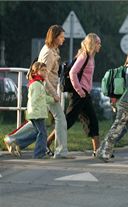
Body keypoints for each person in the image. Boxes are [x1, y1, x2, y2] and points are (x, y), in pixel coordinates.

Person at [57, 33, 102, 156]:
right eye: (98, 42)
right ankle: (47, 143)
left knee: (92, 121)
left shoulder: (91, 57)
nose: (100, 45)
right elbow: (72, 73)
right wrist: (80, 90)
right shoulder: (84, 56)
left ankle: (97, 151)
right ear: (92, 43)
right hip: (79, 94)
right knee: (68, 121)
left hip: (85, 94)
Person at [39, 25, 70, 159]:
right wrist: (54, 94)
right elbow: (43, 77)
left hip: (46, 90)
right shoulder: (48, 53)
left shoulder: (53, 50)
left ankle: (14, 139)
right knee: (61, 118)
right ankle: (61, 151)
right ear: (55, 37)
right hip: (46, 90)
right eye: (61, 37)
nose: (64, 39)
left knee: (37, 120)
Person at [13, 62, 54, 158]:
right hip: (37, 113)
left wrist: (53, 99)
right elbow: (35, 99)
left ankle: (18, 144)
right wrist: (52, 99)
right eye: (42, 70)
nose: (45, 72)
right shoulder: (36, 84)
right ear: (35, 72)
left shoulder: (38, 83)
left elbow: (42, 97)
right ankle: (39, 154)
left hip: (35, 112)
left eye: (45, 70)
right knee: (42, 133)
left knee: (37, 132)